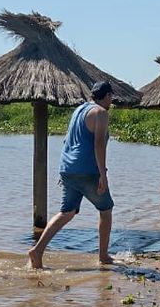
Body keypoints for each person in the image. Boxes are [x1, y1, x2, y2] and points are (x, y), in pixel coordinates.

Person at [27, 80, 116, 269]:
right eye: (111, 97)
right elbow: (99, 144)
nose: (111, 101)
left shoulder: (78, 111)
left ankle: (37, 250)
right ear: (107, 96)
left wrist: (65, 172)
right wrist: (103, 174)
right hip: (88, 171)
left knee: (66, 212)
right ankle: (103, 256)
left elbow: (68, 140)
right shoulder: (101, 113)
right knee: (106, 210)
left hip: (68, 169)